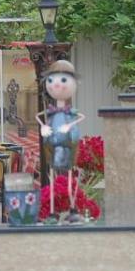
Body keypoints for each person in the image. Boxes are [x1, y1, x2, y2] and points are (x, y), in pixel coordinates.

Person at [38, 59, 84, 222]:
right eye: (51, 80)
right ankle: (52, 211)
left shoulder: (69, 113)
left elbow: (80, 118)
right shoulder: (51, 113)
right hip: (53, 146)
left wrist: (69, 126)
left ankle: (73, 208)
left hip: (68, 146)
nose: (56, 84)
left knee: (70, 176)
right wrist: (44, 128)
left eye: (63, 80)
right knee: (52, 175)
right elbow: (40, 118)